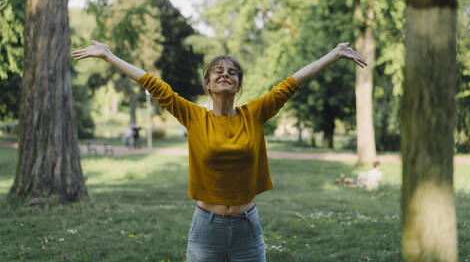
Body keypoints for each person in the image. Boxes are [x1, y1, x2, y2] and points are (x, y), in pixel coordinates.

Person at [72, 39, 366, 262]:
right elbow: (154, 84)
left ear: (238, 85)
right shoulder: (194, 117)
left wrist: (334, 54)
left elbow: (292, 83)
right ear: (208, 84)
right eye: (218, 71)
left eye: (233, 72)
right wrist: (109, 56)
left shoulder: (254, 114)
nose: (226, 74)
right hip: (206, 229)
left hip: (247, 228)